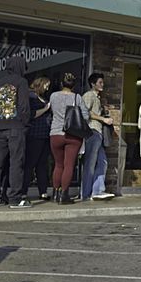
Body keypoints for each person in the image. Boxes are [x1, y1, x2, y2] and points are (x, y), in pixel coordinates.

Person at [0, 56, 32, 209]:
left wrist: (0, 122)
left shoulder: (0, 82)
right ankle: (15, 198)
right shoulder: (22, 82)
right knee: (16, 163)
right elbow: (24, 106)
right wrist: (25, 123)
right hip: (17, 128)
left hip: (2, 128)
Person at [49, 73, 89, 205]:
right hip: (72, 135)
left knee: (58, 164)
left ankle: (55, 192)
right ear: (74, 85)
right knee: (69, 165)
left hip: (55, 133)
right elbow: (85, 116)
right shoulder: (77, 98)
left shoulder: (53, 96)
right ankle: (64, 195)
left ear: (61, 83)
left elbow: (52, 111)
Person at [81, 73, 115, 201]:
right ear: (93, 84)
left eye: (102, 82)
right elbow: (85, 112)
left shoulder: (97, 97)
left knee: (103, 162)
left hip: (97, 132)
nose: (102, 85)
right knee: (90, 164)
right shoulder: (89, 95)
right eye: (100, 82)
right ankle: (86, 193)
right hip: (92, 131)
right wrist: (103, 119)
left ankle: (97, 190)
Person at [24, 76, 52, 201]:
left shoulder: (42, 97)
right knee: (30, 164)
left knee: (42, 164)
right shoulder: (31, 96)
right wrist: (46, 108)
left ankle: (43, 191)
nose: (47, 88)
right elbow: (31, 115)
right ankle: (23, 191)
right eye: (46, 85)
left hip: (45, 134)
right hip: (34, 134)